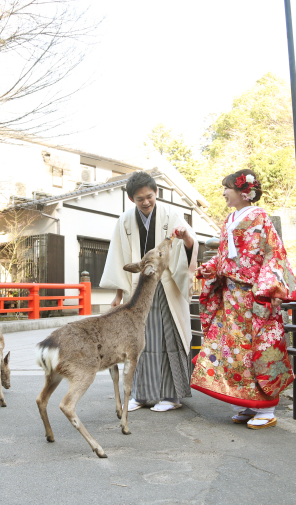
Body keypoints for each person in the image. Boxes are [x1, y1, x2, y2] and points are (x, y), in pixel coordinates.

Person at [191, 169, 296, 429]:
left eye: (226, 188)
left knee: (258, 349)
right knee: (231, 350)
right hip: (231, 296)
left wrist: (271, 286)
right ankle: (246, 403)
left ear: (243, 191)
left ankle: (266, 408)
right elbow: (224, 255)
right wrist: (211, 268)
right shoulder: (230, 219)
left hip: (253, 294)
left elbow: (274, 252)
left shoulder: (260, 216)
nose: (223, 193)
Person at [100, 171, 198, 412]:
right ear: (132, 199)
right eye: (139, 198)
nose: (145, 202)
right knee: (137, 341)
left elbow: (188, 245)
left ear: (156, 194)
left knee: (166, 338)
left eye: (149, 196)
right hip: (139, 289)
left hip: (166, 286)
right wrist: (118, 295)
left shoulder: (170, 214)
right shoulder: (124, 220)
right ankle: (141, 395)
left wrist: (186, 238)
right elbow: (118, 257)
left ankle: (171, 396)